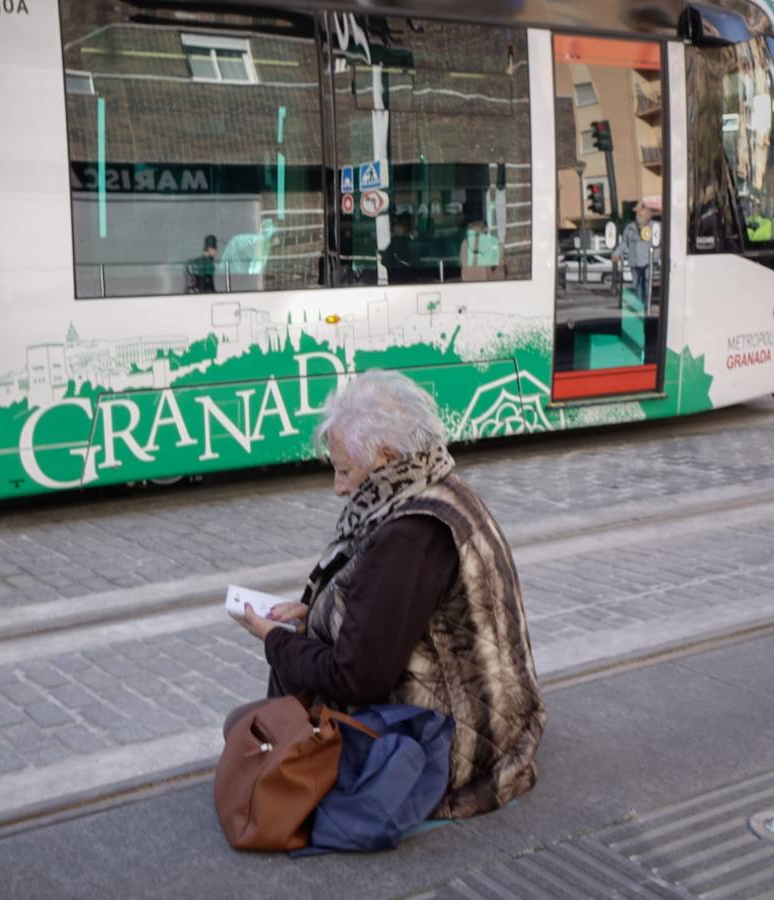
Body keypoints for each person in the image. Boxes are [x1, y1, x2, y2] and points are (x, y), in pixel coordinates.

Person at [228, 370, 547, 820]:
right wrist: (316, 612)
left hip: (454, 745)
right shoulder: (440, 488)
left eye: (344, 470)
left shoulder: (408, 537)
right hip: (495, 715)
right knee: (259, 726)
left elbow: (356, 678)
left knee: (247, 733)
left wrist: (274, 640)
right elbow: (392, 609)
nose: (338, 488)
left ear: (387, 458)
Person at [613, 202, 655, 308]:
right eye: (637, 214)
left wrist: (656, 258)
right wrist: (616, 253)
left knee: (646, 282)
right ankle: (640, 304)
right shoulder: (630, 228)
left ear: (647, 215)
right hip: (634, 260)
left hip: (648, 261)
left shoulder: (655, 227)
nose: (637, 216)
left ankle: (646, 304)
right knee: (637, 285)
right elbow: (624, 243)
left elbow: (659, 243)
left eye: (640, 214)